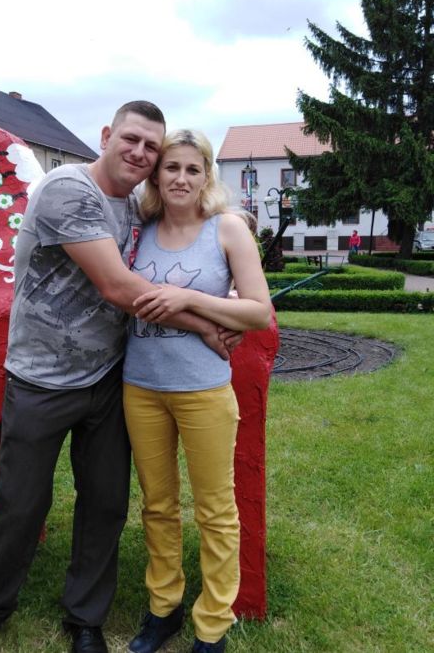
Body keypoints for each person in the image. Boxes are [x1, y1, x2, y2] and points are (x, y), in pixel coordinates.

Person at [0, 104, 241, 653]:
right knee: (20, 502)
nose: (140, 153)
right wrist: (206, 323)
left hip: (107, 377)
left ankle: (85, 618)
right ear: (106, 136)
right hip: (41, 377)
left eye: (151, 147)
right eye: (131, 139)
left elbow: (185, 251)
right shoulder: (67, 189)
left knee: (105, 503)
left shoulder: (135, 205)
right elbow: (119, 287)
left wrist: (227, 293)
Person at [121, 129, 272, 653]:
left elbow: (258, 310)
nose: (181, 178)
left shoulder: (225, 229)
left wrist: (188, 298)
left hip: (204, 389)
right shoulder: (138, 230)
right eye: (171, 168)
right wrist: (202, 314)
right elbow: (117, 290)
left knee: (215, 510)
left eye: (192, 169)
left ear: (207, 175)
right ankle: (163, 607)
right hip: (141, 387)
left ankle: (213, 624)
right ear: (156, 175)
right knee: (157, 505)